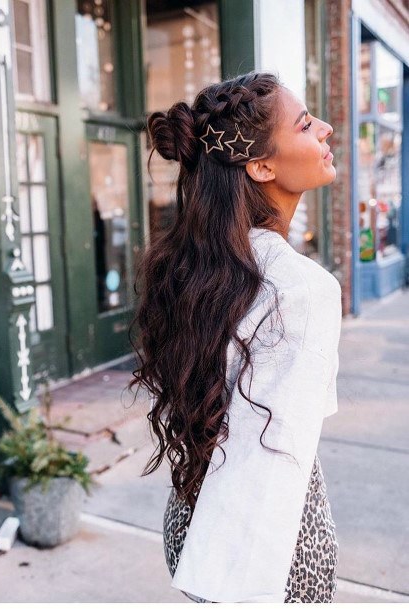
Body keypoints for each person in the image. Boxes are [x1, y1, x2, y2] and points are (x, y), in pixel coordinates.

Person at [128, 71, 342, 603]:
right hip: (270, 546)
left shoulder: (189, 268)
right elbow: (271, 460)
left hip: (189, 519)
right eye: (306, 124)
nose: (327, 129)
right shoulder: (302, 288)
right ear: (262, 165)